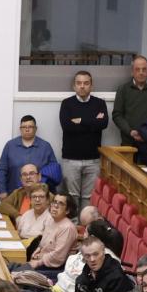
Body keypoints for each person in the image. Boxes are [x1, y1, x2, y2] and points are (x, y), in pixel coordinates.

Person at [58, 70, 109, 214]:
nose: (82, 86)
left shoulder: (100, 103)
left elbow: (103, 124)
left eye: (86, 83)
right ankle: (73, 228)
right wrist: (92, 121)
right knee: (71, 198)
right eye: (79, 83)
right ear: (74, 86)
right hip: (70, 159)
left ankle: (86, 228)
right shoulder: (67, 104)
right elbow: (67, 127)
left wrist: (80, 120)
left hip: (93, 160)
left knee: (89, 198)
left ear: (91, 86)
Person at [60, 230, 130, 292]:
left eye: (96, 254)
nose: (92, 259)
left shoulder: (116, 276)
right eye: (87, 256)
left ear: (103, 252)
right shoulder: (87, 271)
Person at [111, 55, 147, 152]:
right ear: (132, 72)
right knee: (127, 168)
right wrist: (130, 132)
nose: (141, 73)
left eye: (144, 69)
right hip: (128, 143)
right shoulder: (123, 89)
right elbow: (117, 115)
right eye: (137, 69)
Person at [0, 116, 59, 195]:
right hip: (14, 195)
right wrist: (2, 191)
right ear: (20, 129)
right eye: (24, 127)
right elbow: (1, 170)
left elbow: (54, 172)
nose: (27, 129)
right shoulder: (10, 146)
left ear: (35, 128)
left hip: (39, 196)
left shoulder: (45, 146)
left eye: (30, 127)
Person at [26, 193, 79, 277]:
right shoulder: (50, 220)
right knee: (12, 267)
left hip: (56, 269)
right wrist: (39, 249)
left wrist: (37, 262)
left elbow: (58, 257)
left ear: (67, 210)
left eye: (60, 204)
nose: (55, 206)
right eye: (54, 202)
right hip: (44, 262)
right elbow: (44, 243)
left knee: (19, 274)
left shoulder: (67, 228)